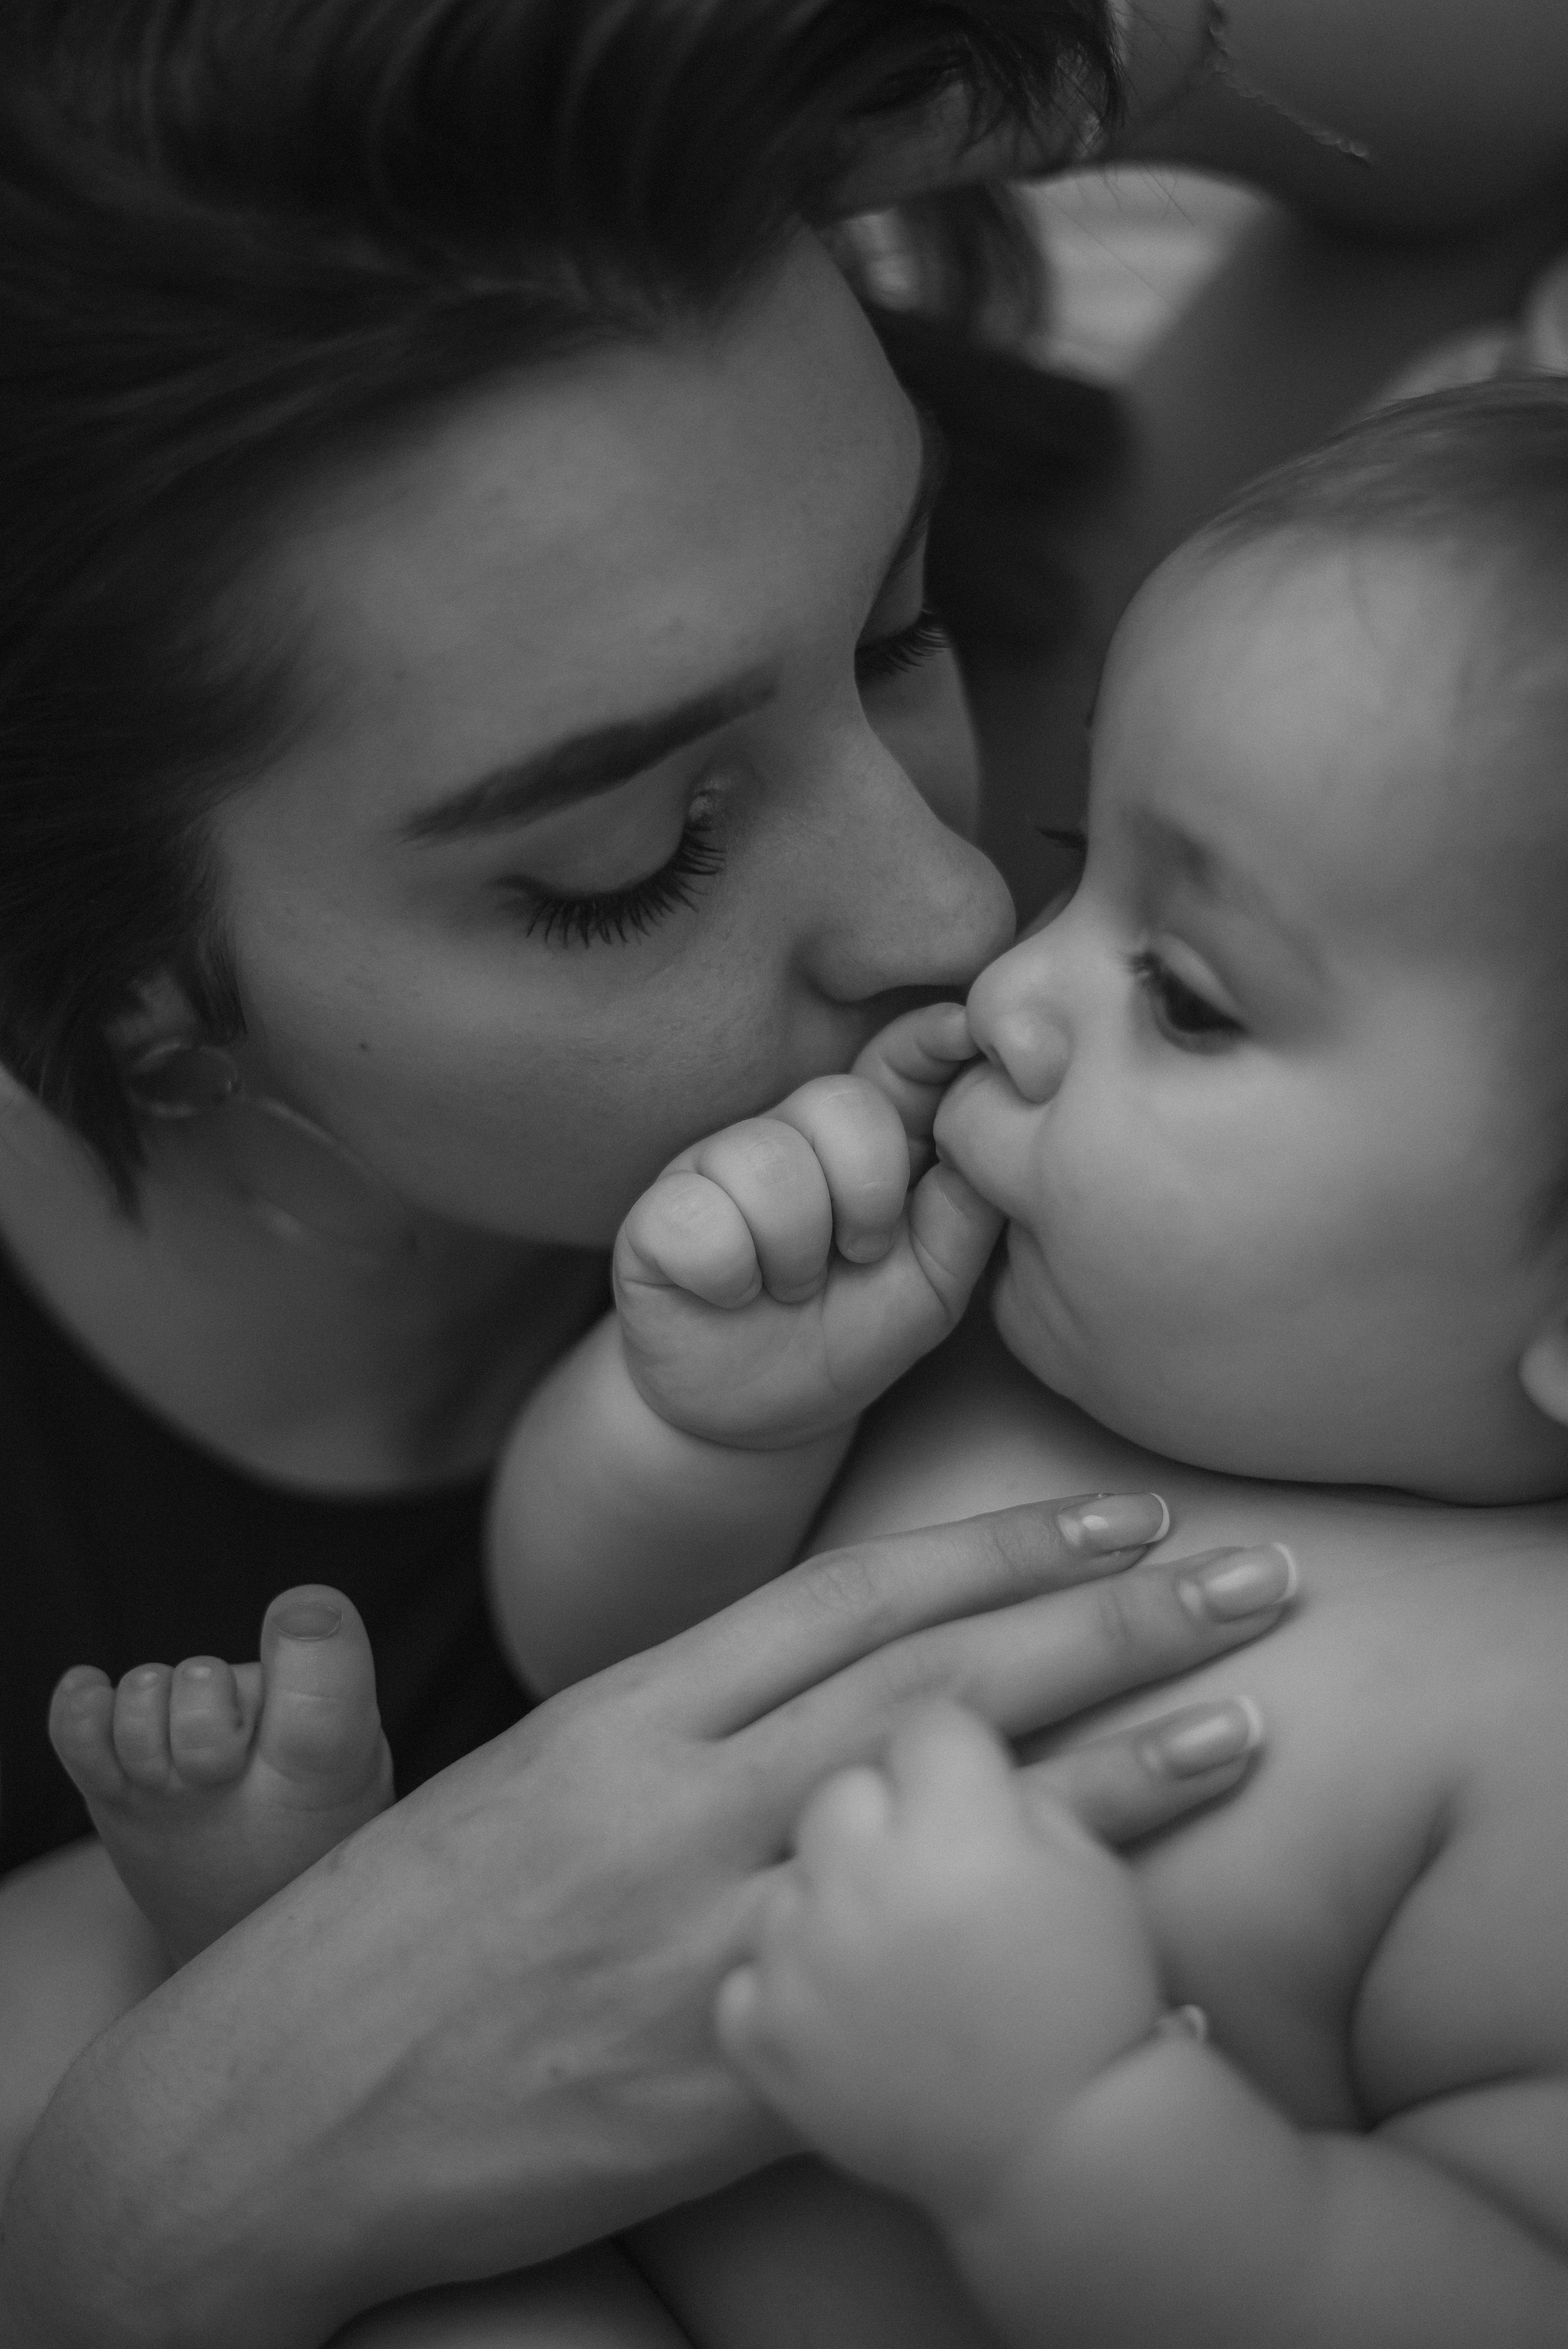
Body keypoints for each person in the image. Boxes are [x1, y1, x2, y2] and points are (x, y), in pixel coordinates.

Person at [7, 3, 1568, 2345]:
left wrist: (828, 69)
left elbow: (1497, 136)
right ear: (137, 991)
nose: (968, 916)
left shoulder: (1279, 805)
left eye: (896, 617)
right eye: (638, 854)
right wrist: (152, 2196)